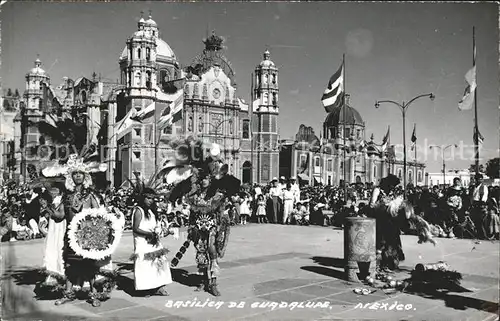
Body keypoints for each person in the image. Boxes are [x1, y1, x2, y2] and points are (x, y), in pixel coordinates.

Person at [131, 186, 172, 296]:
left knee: (158, 263)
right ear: (143, 198)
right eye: (148, 198)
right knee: (145, 265)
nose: (150, 200)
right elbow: (135, 228)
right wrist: (149, 234)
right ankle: (145, 288)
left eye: (152, 198)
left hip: (154, 241)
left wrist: (158, 232)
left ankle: (158, 287)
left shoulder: (152, 211)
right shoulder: (139, 210)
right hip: (142, 241)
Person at [368, 174, 409, 271]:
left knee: (391, 242)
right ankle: (377, 265)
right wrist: (384, 206)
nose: (392, 188)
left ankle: (388, 263)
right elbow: (372, 205)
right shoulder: (377, 190)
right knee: (381, 242)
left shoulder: (392, 192)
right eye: (391, 186)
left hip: (391, 220)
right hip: (380, 219)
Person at [41, 185, 66, 285]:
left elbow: (60, 216)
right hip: (54, 229)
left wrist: (47, 207)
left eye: (55, 190)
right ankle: (54, 275)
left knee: (59, 248)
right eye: (52, 190)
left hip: (61, 228)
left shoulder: (62, 200)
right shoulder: (55, 200)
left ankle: (61, 274)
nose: (53, 192)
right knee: (53, 249)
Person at [470, 173, 488, 239]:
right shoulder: (473, 187)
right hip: (474, 204)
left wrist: (482, 204)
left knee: (481, 220)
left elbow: (484, 196)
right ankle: (478, 234)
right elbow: (472, 196)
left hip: (480, 204)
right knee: (476, 220)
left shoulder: (484, 187)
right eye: (478, 179)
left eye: (481, 179)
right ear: (476, 180)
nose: (480, 180)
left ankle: (483, 235)